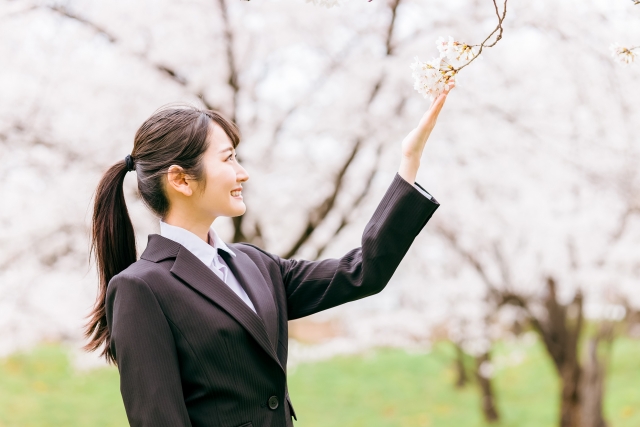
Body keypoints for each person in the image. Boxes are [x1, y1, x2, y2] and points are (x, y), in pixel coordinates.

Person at [84, 84, 454, 427]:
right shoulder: (141, 288)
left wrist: (409, 162)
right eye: (228, 159)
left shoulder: (255, 264)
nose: (242, 173)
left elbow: (363, 272)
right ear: (181, 180)